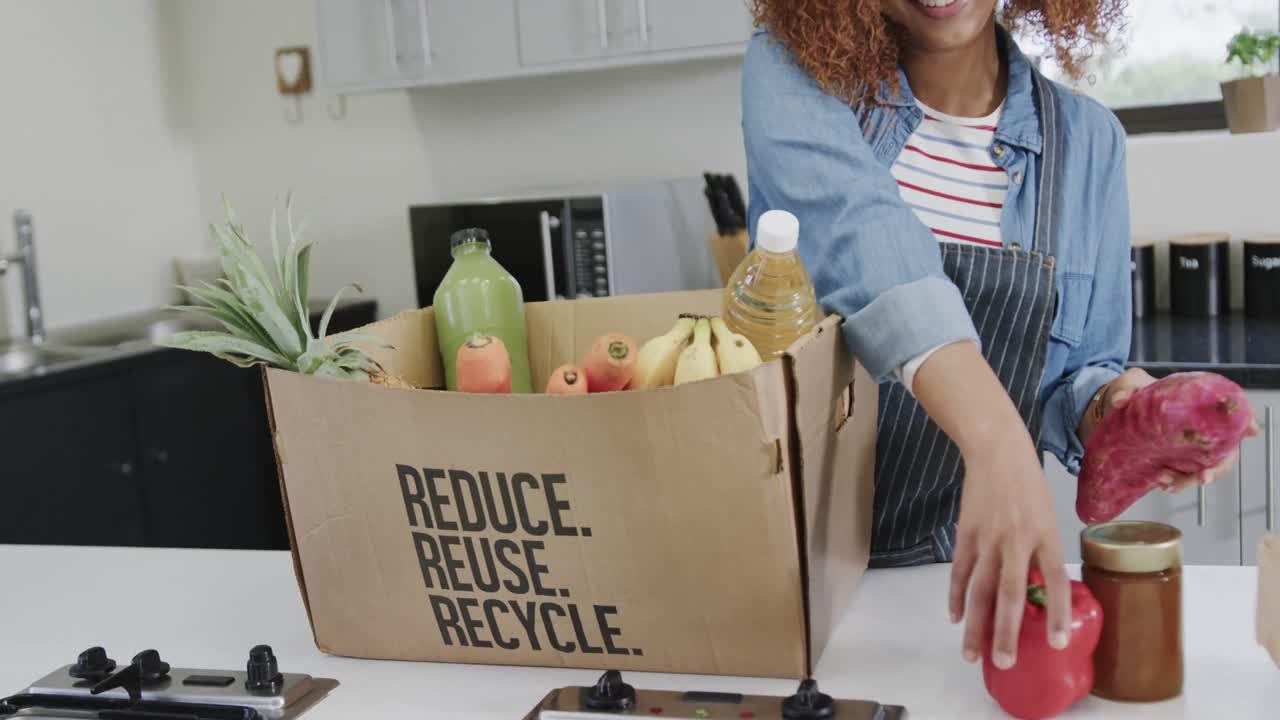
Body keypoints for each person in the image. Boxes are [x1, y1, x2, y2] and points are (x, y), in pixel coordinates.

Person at [742, 0, 1254, 671]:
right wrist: (996, 437)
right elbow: (868, 248)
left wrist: (1123, 409)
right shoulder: (795, 74)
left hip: (961, 588)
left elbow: (1075, 377)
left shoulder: (1088, 139)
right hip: (795, 580)